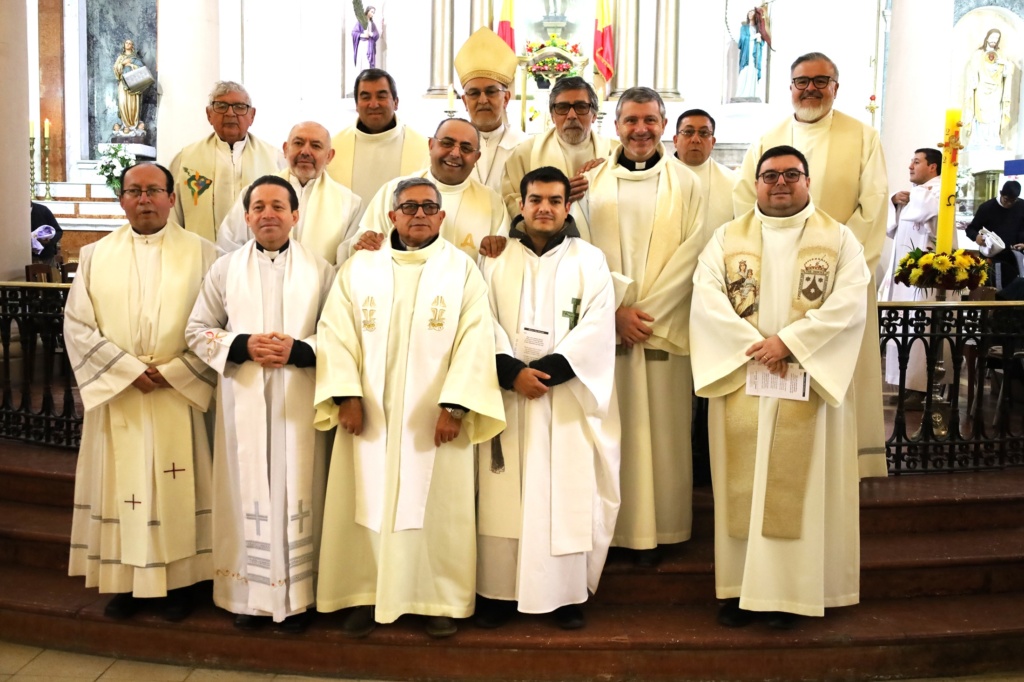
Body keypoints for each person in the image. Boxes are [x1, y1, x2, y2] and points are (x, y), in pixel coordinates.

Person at [314, 177, 505, 639]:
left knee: (438, 510)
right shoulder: (360, 267)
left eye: (428, 207)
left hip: (434, 419)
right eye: (409, 207)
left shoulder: (461, 270)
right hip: (369, 417)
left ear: (441, 216)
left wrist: (456, 408)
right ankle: (365, 593)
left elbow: (476, 339)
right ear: (392, 216)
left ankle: (436, 599)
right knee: (366, 503)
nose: (419, 214)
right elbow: (334, 332)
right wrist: (347, 396)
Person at [691, 145, 870, 629]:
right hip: (744, 378)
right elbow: (706, 299)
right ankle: (740, 591)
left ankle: (789, 595)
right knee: (743, 493)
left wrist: (789, 343)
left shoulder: (840, 240)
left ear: (808, 182)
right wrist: (755, 348)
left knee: (797, 495)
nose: (781, 183)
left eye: (792, 174)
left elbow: (849, 303)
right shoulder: (727, 238)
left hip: (807, 381)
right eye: (770, 176)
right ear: (756, 184)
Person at [65, 162, 219, 622]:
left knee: (179, 486)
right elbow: (77, 325)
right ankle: (127, 583)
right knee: (123, 489)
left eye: (154, 191)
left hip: (179, 392)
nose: (144, 199)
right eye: (134, 191)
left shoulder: (205, 254)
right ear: (122, 200)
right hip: (121, 394)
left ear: (172, 198)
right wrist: (127, 370)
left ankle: (182, 583)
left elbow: (221, 322)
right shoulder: (95, 256)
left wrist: (177, 371)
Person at [187, 175, 335, 633]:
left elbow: (340, 333)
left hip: (299, 398)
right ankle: (248, 597)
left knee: (300, 491)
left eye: (278, 206)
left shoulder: (321, 270)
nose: (268, 214)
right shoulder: (225, 269)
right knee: (245, 492)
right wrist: (241, 344)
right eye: (258, 207)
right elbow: (197, 329)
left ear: (295, 215)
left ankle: (298, 597)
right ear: (247, 217)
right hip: (244, 397)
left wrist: (301, 349)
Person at [475, 166, 620, 630]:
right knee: (501, 493)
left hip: (565, 397)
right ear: (520, 205)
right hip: (508, 394)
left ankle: (563, 593)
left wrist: (549, 371)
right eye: (535, 199)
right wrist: (511, 371)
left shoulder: (589, 260)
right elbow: (479, 317)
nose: (544, 208)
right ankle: (498, 591)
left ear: (567, 206)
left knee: (563, 492)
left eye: (555, 200)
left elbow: (598, 324)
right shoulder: (495, 257)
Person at [733, 51, 889, 478]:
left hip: (841, 281)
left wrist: (841, 270)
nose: (811, 89)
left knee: (839, 367)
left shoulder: (863, 137)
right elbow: (744, 202)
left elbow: (873, 207)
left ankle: (843, 461)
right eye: (802, 81)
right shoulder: (767, 139)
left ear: (836, 87)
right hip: (777, 278)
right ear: (790, 87)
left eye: (821, 81)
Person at [583, 86, 706, 566]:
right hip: (606, 329)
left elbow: (693, 253)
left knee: (663, 436)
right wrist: (614, 312)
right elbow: (580, 253)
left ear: (663, 126)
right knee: (611, 434)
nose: (640, 130)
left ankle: (662, 530)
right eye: (631, 121)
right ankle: (612, 534)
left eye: (649, 120)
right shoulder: (589, 183)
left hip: (661, 329)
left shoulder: (687, 183)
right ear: (615, 126)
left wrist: (644, 314)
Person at [352, 118, 509, 261]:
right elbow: (363, 247)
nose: (455, 153)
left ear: (476, 158)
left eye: (466, 148)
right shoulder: (394, 191)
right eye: (447, 143)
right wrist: (366, 240)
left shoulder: (492, 202)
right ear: (431, 145)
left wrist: (496, 246)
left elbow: (502, 261)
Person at [217, 121, 362, 266]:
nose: (305, 152)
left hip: (323, 281)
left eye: (316, 146)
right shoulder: (254, 193)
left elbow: (347, 263)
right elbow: (229, 248)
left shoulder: (350, 204)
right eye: (298, 143)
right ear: (286, 149)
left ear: (329, 156)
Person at [169, 81, 283, 243]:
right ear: (209, 114)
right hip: (202, 254)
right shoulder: (184, 160)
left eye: (239, 107)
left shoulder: (275, 159)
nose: (230, 113)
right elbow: (172, 219)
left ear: (252, 115)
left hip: (258, 254)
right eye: (221, 106)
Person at [501, 76, 610, 236]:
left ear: (594, 115)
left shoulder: (612, 153)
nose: (571, 115)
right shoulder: (525, 153)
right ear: (552, 116)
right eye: (562, 107)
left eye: (581, 107)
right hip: (546, 245)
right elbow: (510, 201)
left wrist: (608, 172)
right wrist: (555, 199)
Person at [878, 149, 943, 399]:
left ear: (933, 167)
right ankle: (906, 383)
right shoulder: (917, 193)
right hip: (904, 278)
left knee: (920, 328)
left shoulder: (939, 190)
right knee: (902, 327)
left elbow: (924, 209)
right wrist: (894, 201)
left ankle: (921, 387)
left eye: (916, 162)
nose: (910, 166)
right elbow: (892, 230)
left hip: (924, 279)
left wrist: (907, 197)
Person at [326, 69, 429, 208]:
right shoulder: (333, 147)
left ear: (396, 102)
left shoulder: (422, 148)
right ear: (356, 105)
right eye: (366, 97)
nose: (374, 104)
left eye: (381, 96)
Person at [455, 27, 529, 194]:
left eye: (491, 91)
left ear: (506, 98)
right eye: (474, 93)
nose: (483, 100)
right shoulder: (450, 149)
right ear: (465, 101)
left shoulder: (524, 147)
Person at [672, 109, 736, 233]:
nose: (696, 139)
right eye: (688, 132)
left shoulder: (732, 182)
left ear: (713, 142)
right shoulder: (661, 176)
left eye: (704, 133)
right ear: (675, 140)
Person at [965, 180, 1024, 289]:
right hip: (991, 258)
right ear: (1001, 193)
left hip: (1013, 258)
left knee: (1012, 290)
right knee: (991, 290)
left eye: (1013, 201)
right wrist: (976, 237)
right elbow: (970, 229)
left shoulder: (1021, 206)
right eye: (1006, 200)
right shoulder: (987, 208)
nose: (1009, 204)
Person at [964, 28, 1015, 149]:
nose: (994, 40)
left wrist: (1003, 63)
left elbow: (1007, 73)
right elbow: (973, 71)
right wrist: (973, 81)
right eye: (992, 37)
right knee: (980, 112)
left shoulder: (1001, 55)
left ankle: (993, 139)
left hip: (996, 90)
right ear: (987, 38)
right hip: (981, 89)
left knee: (995, 114)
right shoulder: (978, 54)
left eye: (997, 38)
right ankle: (978, 140)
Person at [113, 39, 146, 130]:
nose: (128, 44)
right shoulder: (120, 58)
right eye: (126, 43)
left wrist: (131, 64)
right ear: (124, 45)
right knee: (123, 102)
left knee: (133, 104)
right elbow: (116, 69)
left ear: (132, 46)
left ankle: (133, 124)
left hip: (133, 83)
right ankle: (125, 124)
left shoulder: (135, 58)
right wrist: (122, 64)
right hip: (123, 83)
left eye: (130, 43)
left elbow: (142, 70)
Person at [735, 9, 765, 100]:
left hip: (754, 57)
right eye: (749, 13)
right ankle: (741, 95)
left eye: (752, 12)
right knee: (744, 73)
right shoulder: (744, 28)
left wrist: (760, 41)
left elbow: (762, 43)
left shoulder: (758, 29)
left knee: (753, 72)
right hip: (746, 55)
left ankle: (752, 94)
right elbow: (742, 39)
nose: (750, 14)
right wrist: (754, 37)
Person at [351, 5, 381, 71]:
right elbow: (354, 32)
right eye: (372, 12)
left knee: (367, 63)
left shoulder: (372, 23)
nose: (373, 14)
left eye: (374, 12)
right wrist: (362, 35)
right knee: (362, 61)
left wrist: (371, 34)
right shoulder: (361, 21)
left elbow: (376, 34)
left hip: (369, 45)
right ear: (367, 11)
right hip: (362, 45)